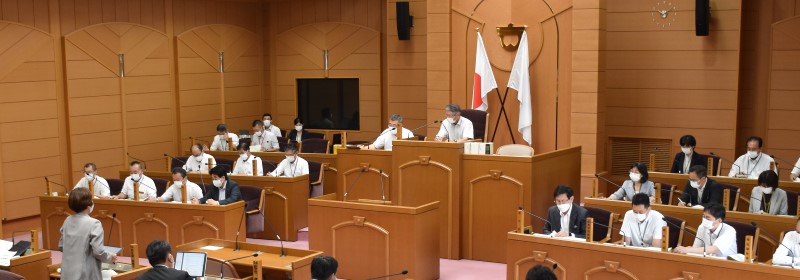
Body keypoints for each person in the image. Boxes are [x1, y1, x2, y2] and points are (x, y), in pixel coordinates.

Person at [59, 188, 117, 280]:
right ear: (89, 205)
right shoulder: (94, 223)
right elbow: (98, 251)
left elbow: (61, 246)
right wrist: (110, 257)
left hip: (67, 273)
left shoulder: (67, 220)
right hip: (85, 274)